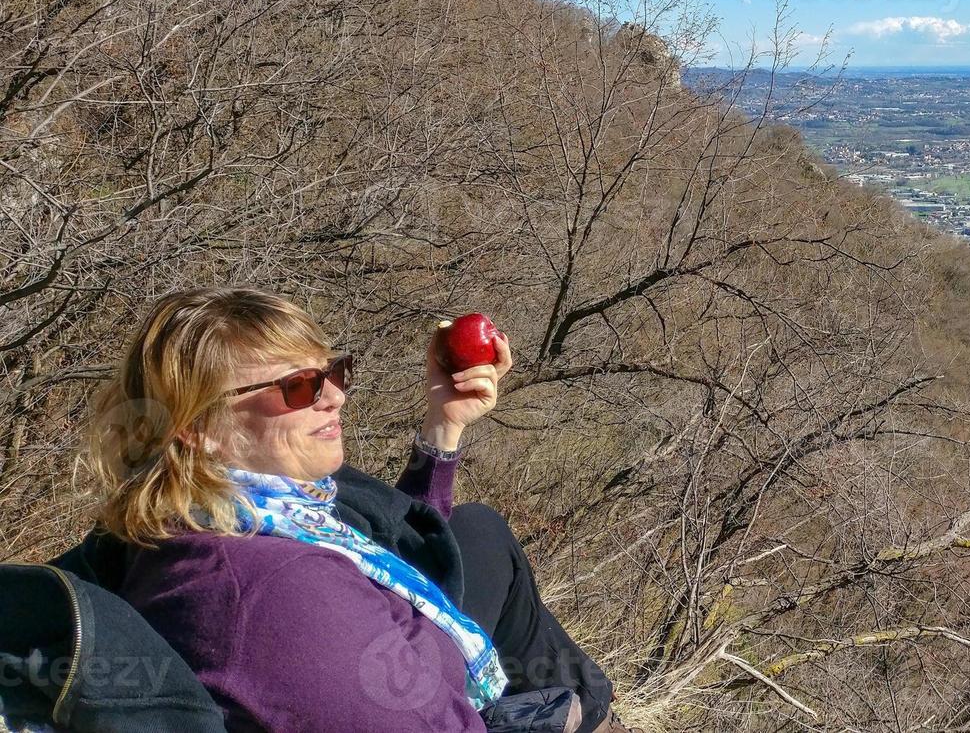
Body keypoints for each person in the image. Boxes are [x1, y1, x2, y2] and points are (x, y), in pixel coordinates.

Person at [76, 285, 640, 733]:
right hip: (434, 691)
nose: (336, 396)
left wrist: (443, 428)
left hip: (409, 659)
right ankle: (595, 715)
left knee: (479, 531)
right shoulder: (277, 590)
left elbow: (389, 546)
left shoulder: (250, 509)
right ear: (197, 429)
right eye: (298, 387)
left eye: (333, 372)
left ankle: (594, 709)